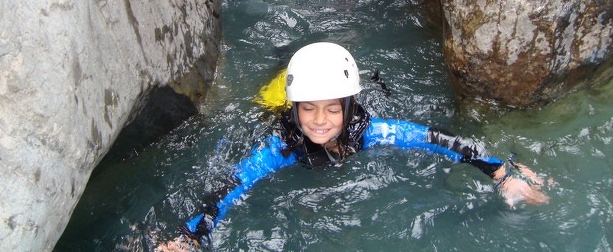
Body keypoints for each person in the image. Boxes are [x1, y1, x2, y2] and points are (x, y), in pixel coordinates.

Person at [156, 42, 550, 251]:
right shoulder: (284, 146)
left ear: (349, 107)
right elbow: (232, 183)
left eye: (332, 109)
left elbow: (440, 139)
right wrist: (191, 236)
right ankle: (283, 64)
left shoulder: (371, 131)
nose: (320, 120)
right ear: (296, 112)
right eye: (308, 110)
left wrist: (502, 173)